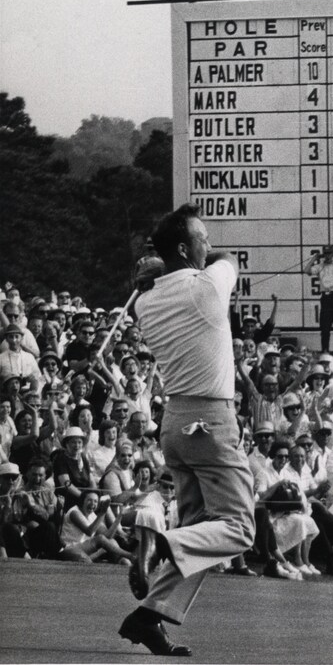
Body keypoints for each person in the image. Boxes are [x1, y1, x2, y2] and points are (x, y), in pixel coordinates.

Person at [119, 203, 254, 657]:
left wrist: (156, 268)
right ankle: (161, 541)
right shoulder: (206, 287)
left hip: (175, 422)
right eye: (203, 237)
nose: (210, 244)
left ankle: (149, 616)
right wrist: (168, 264)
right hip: (211, 422)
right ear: (183, 248)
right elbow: (227, 261)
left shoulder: (146, 300)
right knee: (237, 529)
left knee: (202, 534)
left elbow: (176, 271)